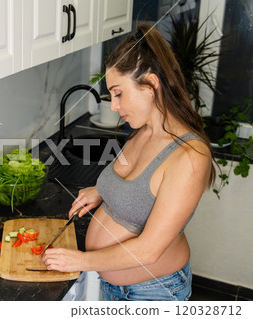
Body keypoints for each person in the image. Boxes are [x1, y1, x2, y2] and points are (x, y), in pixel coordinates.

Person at [42, 24, 217, 301]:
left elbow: (150, 249)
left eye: (119, 93)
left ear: (151, 85)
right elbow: (137, 182)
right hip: (115, 286)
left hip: (153, 293)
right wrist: (101, 191)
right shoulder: (141, 130)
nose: (113, 105)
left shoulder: (190, 156)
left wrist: (79, 261)